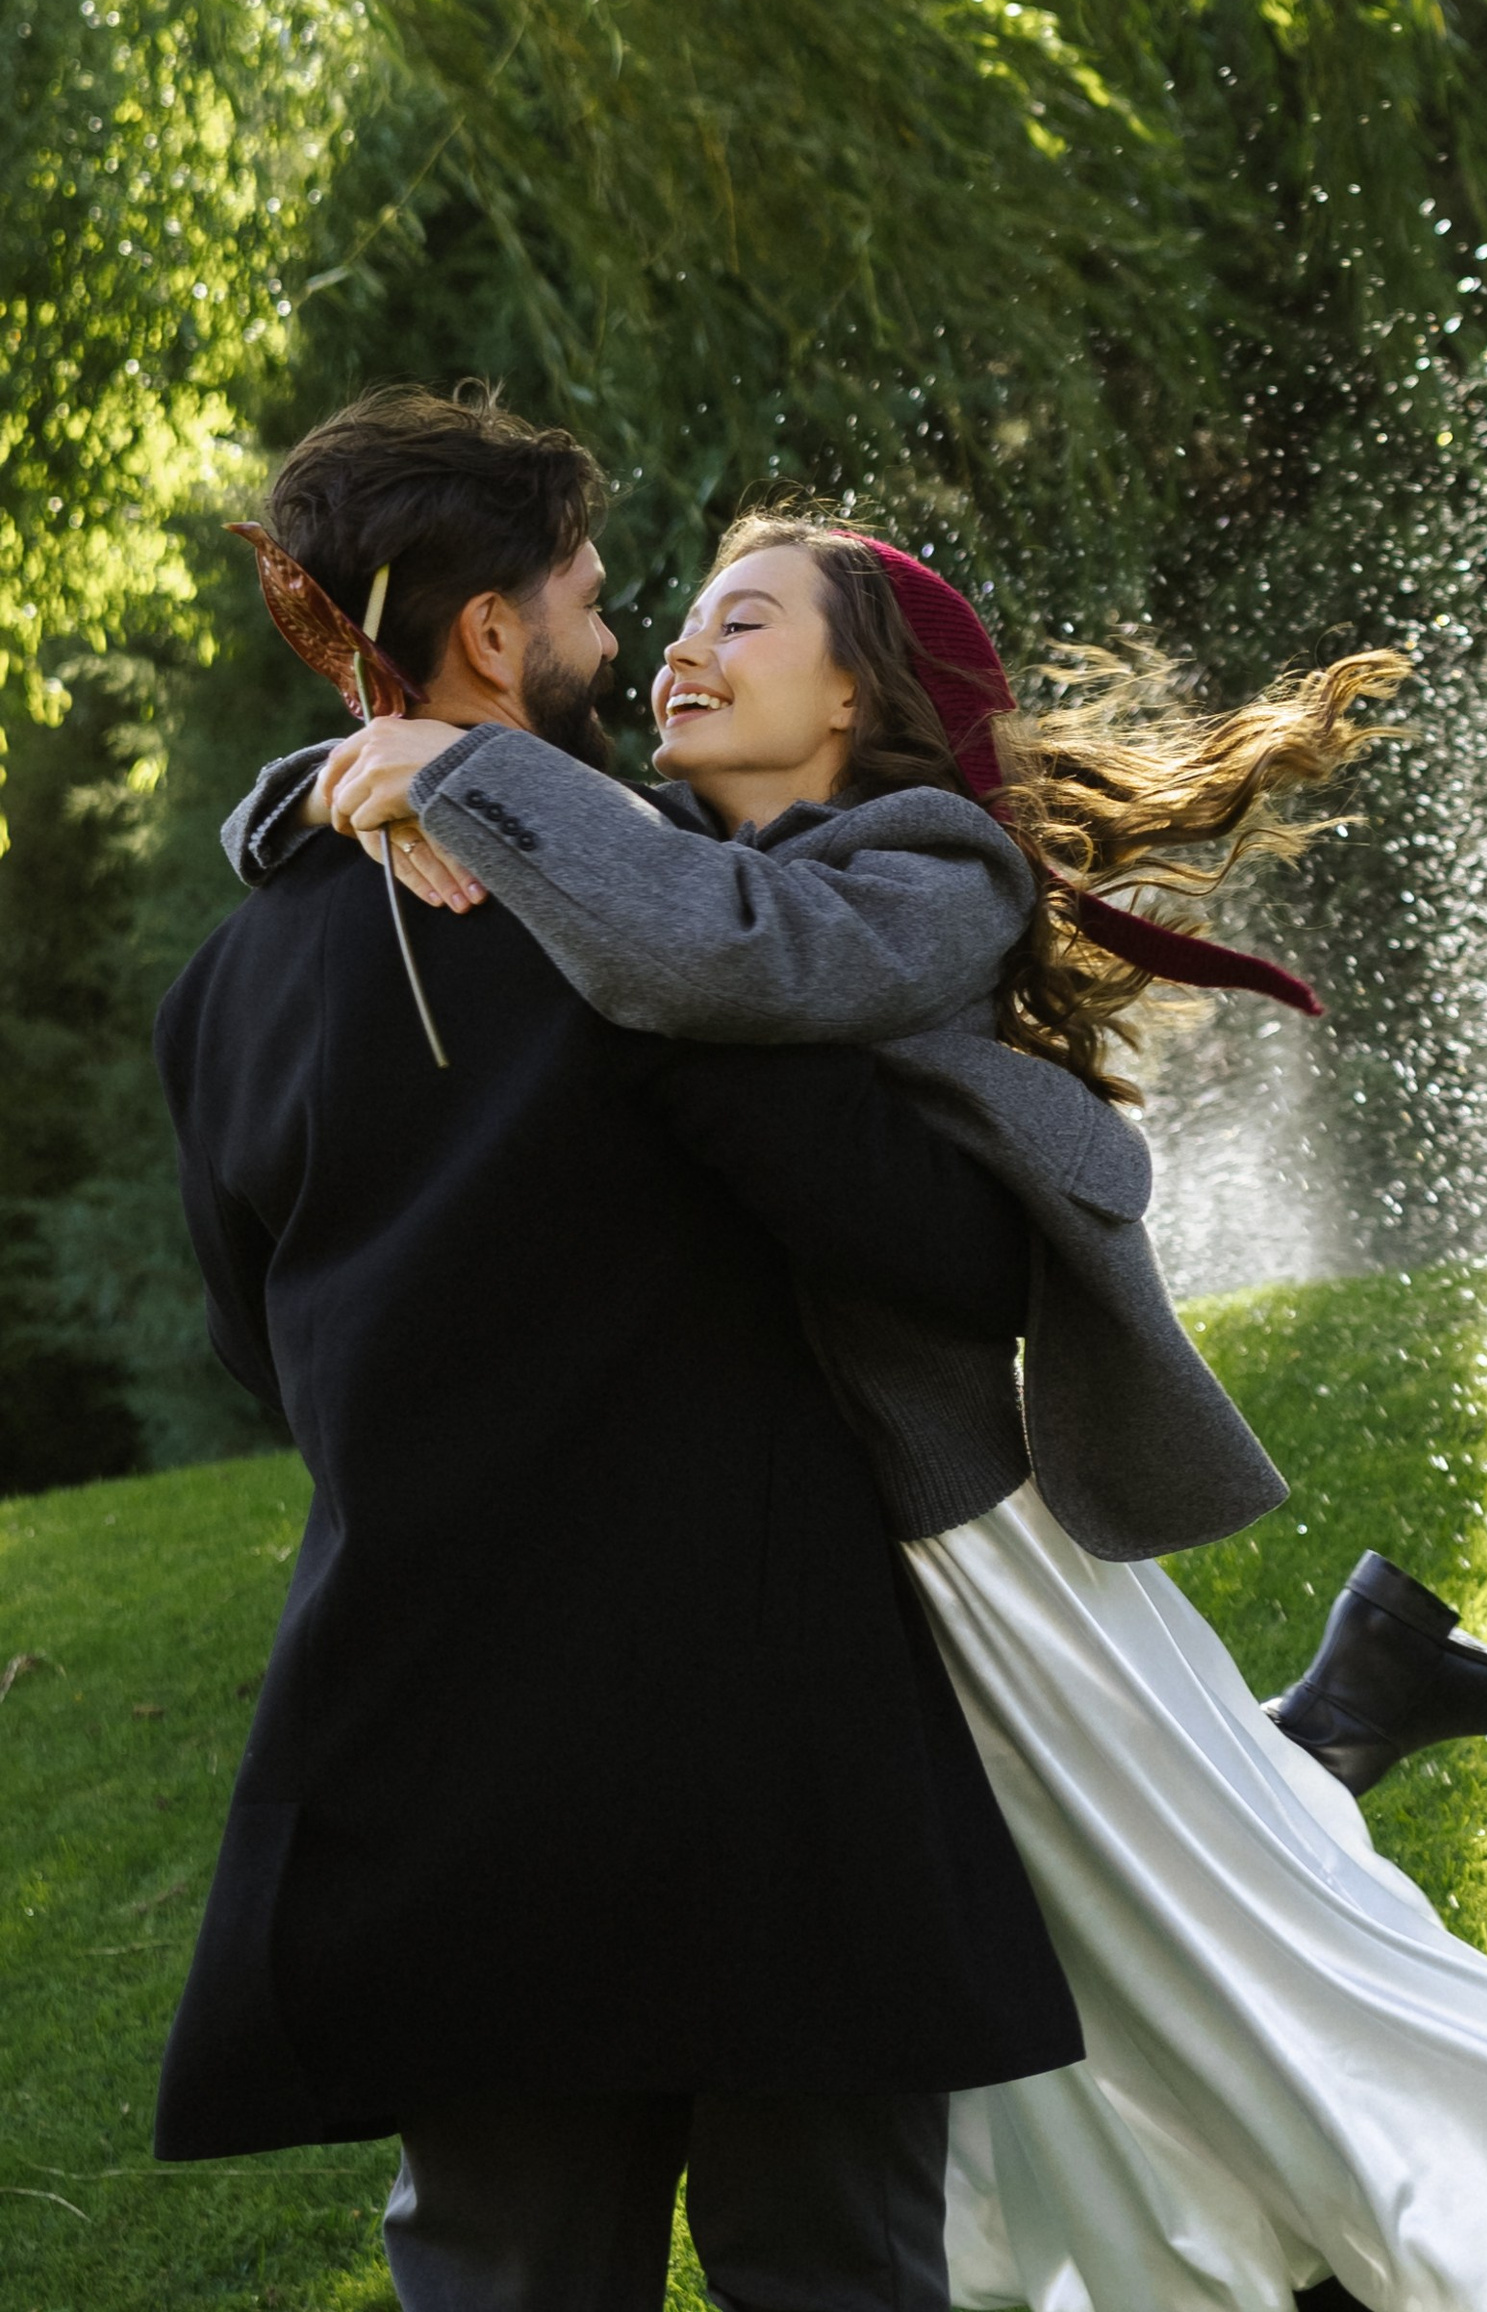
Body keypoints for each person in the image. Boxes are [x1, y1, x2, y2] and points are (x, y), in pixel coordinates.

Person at [254, 491, 1487, 2312]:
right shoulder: (653, 846)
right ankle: (1353, 1717)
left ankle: (1405, 2119)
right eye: (684, 616)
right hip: (769, 1547)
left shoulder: (930, 869)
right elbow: (555, 856)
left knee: (1188, 1918)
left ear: (856, 693)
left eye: (745, 620)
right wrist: (318, 796)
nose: (681, 645)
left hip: (939, 1527)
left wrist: (450, 769)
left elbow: (729, 956)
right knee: (1077, 1933)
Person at [156, 392, 1084, 2312]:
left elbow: (265, 1351)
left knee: (509, 2280)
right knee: (832, 2275)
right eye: (585, 597)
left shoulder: (226, 988)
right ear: (494, 635)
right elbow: (941, 1258)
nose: (619, 630)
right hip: (762, 1737)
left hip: (430, 1744)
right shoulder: (676, 933)